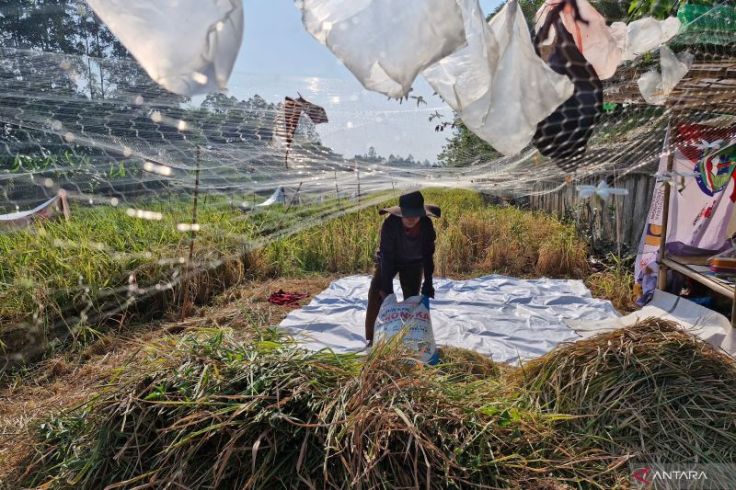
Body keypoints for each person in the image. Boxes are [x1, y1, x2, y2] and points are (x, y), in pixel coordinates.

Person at [365, 191, 441, 345]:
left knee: (412, 299)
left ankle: (410, 337)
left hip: (414, 263)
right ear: (400, 213)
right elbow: (387, 256)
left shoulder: (426, 225)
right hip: (390, 260)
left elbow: (428, 254)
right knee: (377, 291)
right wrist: (387, 289)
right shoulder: (390, 224)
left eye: (416, 214)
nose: (411, 218)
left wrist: (428, 282)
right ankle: (373, 338)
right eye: (407, 214)